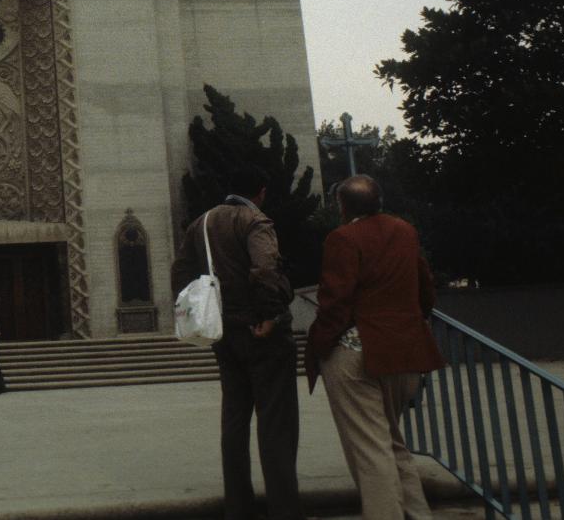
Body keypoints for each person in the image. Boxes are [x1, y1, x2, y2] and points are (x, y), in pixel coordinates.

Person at [305, 175, 445, 520]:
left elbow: (336, 299)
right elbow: (425, 286)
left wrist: (320, 344)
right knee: (392, 442)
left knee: (369, 449)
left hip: (358, 352)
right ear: (379, 201)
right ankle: (418, 515)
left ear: (343, 206)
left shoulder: (343, 238)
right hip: (404, 351)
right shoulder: (404, 231)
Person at [171, 164, 304, 520]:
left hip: (223, 333)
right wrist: (270, 314)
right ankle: (284, 510)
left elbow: (180, 273)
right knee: (276, 423)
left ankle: (239, 507)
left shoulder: (201, 223)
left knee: (234, 419)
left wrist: (205, 312)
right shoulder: (253, 220)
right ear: (260, 191)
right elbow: (265, 268)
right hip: (261, 331)